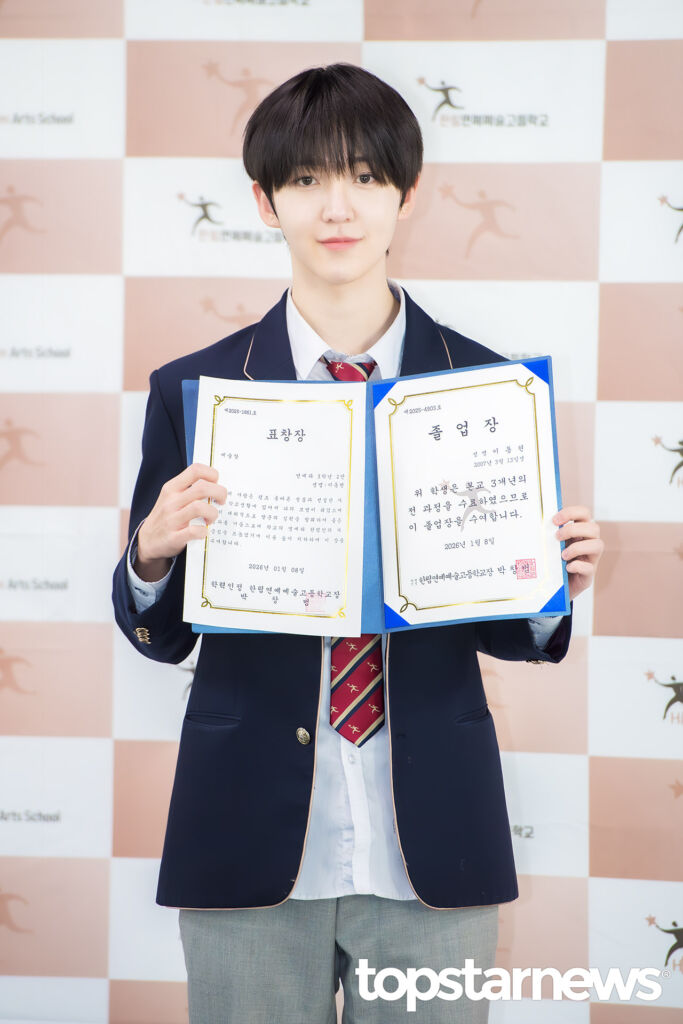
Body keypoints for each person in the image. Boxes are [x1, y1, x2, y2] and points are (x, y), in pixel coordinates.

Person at [112, 63, 604, 1023]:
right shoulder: (197, 391)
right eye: (305, 180)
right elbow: (162, 635)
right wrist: (151, 558)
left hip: (429, 840)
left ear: (405, 194)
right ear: (265, 201)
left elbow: (506, 632)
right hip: (246, 832)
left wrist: (550, 586)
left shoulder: (488, 389)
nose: (336, 206)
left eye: (365, 177)